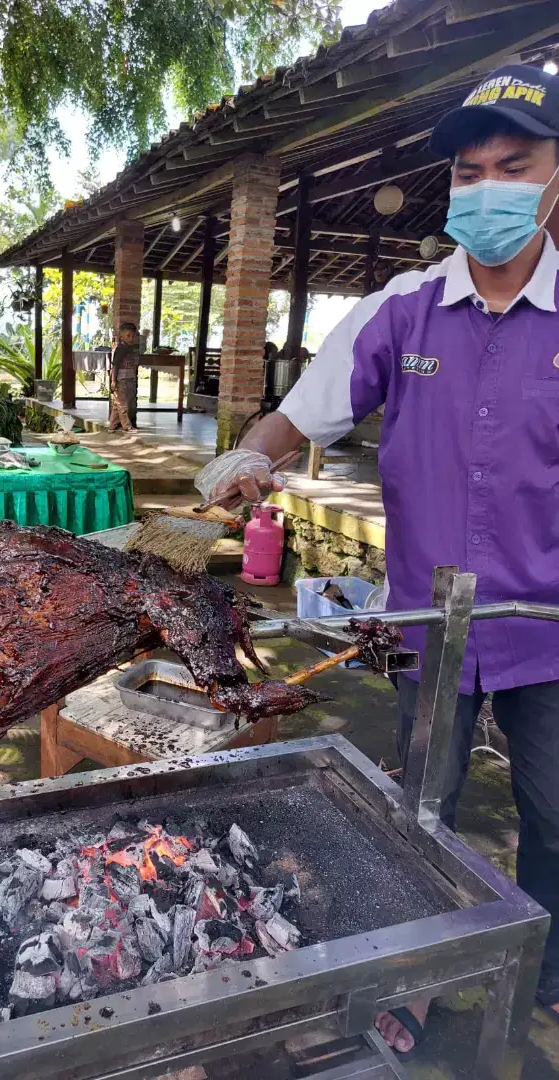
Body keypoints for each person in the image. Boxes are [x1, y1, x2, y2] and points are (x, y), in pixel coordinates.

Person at [195, 63, 559, 1053]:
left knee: (555, 815)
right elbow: (298, 414)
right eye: (470, 173)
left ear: (557, 174)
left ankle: (545, 975)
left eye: (513, 166)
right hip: (417, 626)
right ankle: (412, 982)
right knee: (418, 804)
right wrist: (247, 457)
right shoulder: (403, 309)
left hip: (550, 633)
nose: (488, 190)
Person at [108, 321, 140, 433]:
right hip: (120, 380)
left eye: (133, 336)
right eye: (128, 336)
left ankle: (112, 425)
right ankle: (127, 426)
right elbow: (115, 366)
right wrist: (113, 380)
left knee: (118, 404)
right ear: (121, 336)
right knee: (123, 405)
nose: (131, 338)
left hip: (129, 379)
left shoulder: (132, 348)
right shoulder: (120, 349)